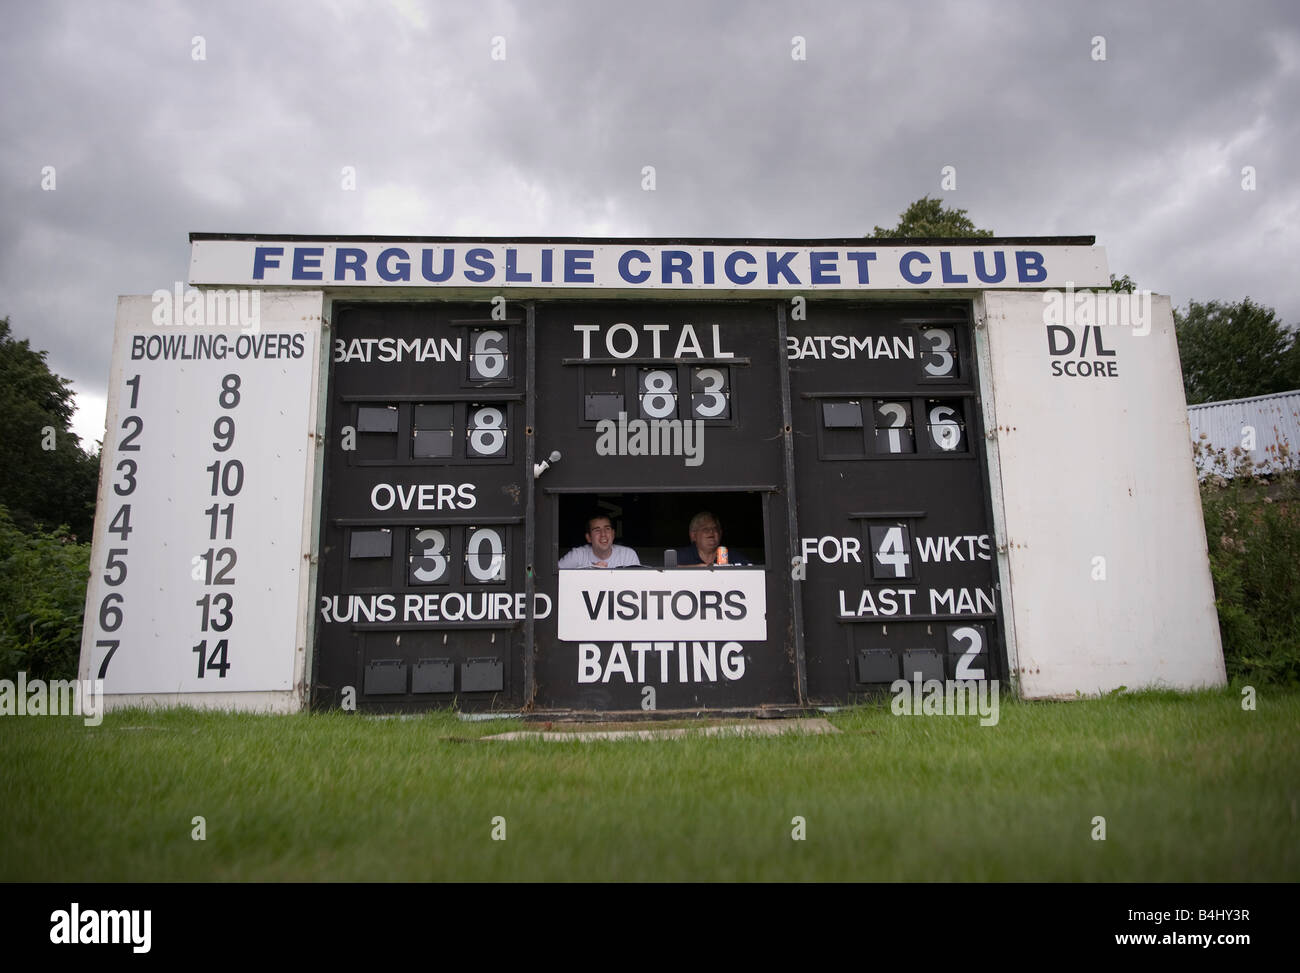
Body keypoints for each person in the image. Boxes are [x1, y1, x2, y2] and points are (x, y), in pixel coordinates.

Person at [558, 513, 640, 569]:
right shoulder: (577, 555)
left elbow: (638, 584)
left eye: (607, 529)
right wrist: (590, 573)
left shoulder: (628, 555)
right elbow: (553, 577)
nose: (603, 534)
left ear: (613, 534)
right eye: (597, 530)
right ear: (589, 537)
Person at [675, 511, 751, 566]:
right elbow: (667, 573)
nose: (711, 532)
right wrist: (696, 569)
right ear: (693, 535)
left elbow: (752, 573)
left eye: (715, 529)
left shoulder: (732, 555)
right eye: (705, 529)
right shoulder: (680, 556)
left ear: (720, 533)